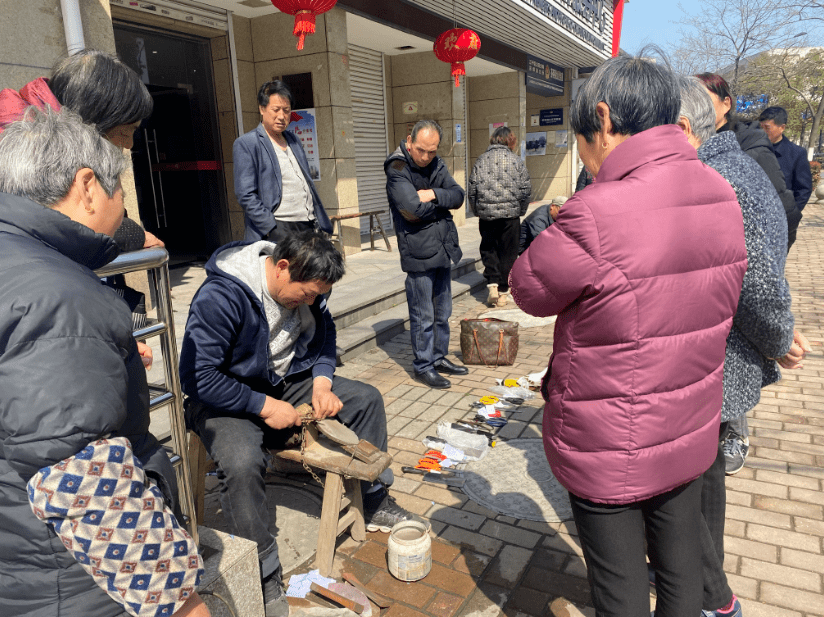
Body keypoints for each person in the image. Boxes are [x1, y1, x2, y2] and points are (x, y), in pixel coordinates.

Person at [509, 53, 748, 617]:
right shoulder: (720, 192)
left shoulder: (596, 211)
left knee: (619, 592)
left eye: (584, 140)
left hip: (610, 438)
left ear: (605, 118)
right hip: (688, 425)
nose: (586, 156)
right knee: (681, 569)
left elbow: (528, 290)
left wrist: (547, 225)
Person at [0, 108, 208, 617]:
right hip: (67, 577)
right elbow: (82, 477)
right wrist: (183, 603)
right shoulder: (58, 296)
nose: (124, 207)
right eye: (122, 189)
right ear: (88, 186)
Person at [180, 230, 425, 617]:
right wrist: (263, 406)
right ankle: (264, 571)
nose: (312, 301)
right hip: (222, 397)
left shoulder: (312, 290)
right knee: (242, 462)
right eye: (307, 294)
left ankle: (375, 500)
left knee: (366, 400)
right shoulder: (222, 298)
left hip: (281, 381)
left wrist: (323, 381)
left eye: (317, 295)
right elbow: (197, 377)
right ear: (282, 267)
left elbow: (325, 338)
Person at [677, 74, 810, 617]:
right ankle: (701, 584)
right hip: (714, 355)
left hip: (719, 356)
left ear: (684, 129)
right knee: (701, 479)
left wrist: (779, 338)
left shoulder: (722, 177)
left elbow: (757, 281)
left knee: (693, 486)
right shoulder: (730, 167)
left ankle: (713, 596)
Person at [384, 120, 468, 390]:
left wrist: (432, 193)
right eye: (421, 150)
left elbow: (458, 196)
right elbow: (412, 211)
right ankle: (423, 365)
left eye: (431, 151)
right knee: (424, 315)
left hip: (443, 247)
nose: (425, 157)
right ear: (409, 141)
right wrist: (442, 206)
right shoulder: (397, 168)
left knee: (443, 312)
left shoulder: (436, 163)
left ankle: (439, 357)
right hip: (418, 251)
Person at [696, 73, 801, 251]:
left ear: (726, 104)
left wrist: (764, 264)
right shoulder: (689, 141)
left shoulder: (750, 147)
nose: (697, 109)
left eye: (703, 100)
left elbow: (783, 210)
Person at [234, 80, 332, 242]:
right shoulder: (247, 143)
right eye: (276, 110)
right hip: (278, 227)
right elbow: (245, 194)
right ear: (262, 109)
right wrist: (271, 228)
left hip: (307, 224)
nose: (282, 116)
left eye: (286, 110)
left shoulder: (293, 140)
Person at [468, 125, 531, 307]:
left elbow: (472, 190)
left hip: (487, 216)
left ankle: (492, 286)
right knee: (508, 253)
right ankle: (503, 293)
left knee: (489, 250)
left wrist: (477, 210)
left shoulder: (481, 160)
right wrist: (521, 210)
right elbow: (526, 190)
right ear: (510, 141)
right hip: (510, 216)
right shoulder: (516, 161)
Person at [759, 106, 814, 213]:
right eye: (760, 127)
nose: (763, 131)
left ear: (782, 127)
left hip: (783, 216)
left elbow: (804, 189)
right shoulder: (756, 149)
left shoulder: (796, 154)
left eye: (767, 127)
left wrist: (791, 215)